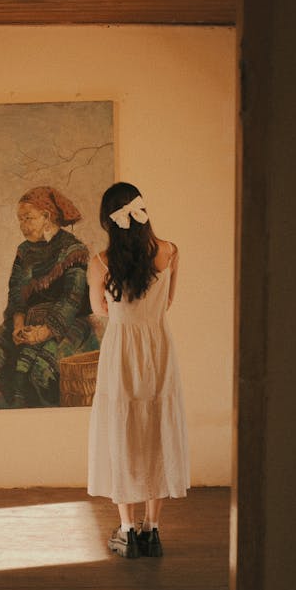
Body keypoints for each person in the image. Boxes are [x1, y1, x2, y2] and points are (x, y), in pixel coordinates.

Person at [87, 182, 190, 558]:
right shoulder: (170, 251)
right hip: (158, 348)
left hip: (121, 352)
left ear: (109, 220)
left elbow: (99, 310)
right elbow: (168, 303)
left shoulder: (100, 262)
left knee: (122, 430)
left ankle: (127, 531)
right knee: (156, 429)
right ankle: (153, 530)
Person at [0, 186, 99, 409]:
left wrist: (44, 332)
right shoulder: (24, 251)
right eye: (20, 219)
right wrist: (18, 325)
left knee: (40, 367)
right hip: (29, 320)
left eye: (28, 218)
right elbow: (15, 291)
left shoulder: (73, 249)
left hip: (67, 322)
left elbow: (71, 300)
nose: (22, 226)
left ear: (46, 216)